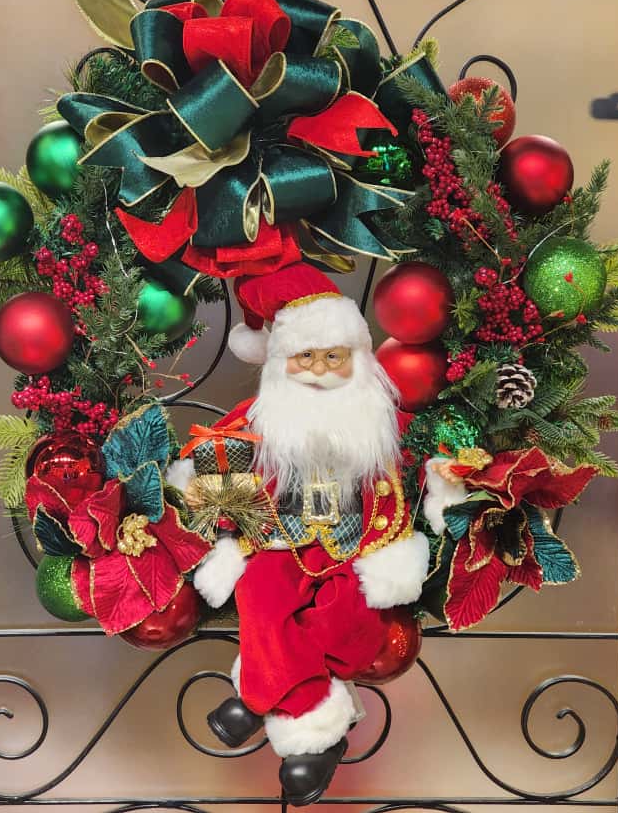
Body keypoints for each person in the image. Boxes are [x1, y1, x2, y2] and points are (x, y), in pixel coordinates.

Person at [168, 261, 429, 807]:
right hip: (278, 543)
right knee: (260, 597)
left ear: (357, 358)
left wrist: (449, 481)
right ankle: (315, 734)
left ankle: (257, 695)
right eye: (304, 358)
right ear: (281, 362)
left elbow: (420, 464)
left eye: (333, 358)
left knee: (350, 625)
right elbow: (213, 453)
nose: (318, 371)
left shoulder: (380, 422)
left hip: (353, 549)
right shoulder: (260, 418)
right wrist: (194, 482)